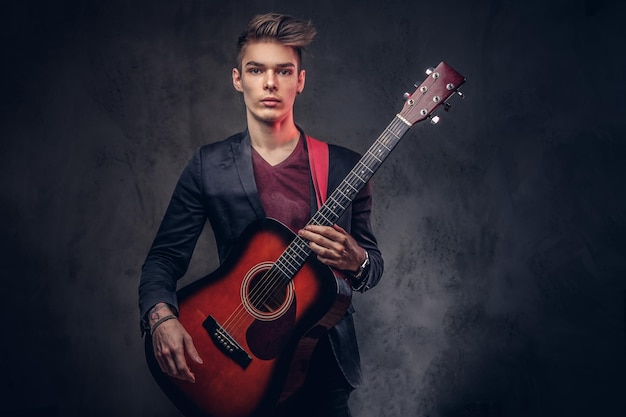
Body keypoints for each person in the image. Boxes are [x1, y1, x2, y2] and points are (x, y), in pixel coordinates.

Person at [138, 13, 384, 417]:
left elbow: (371, 267)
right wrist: (161, 317)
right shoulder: (208, 165)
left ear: (300, 81)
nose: (270, 83)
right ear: (238, 78)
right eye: (257, 69)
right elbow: (164, 258)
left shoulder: (343, 167)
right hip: (235, 365)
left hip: (320, 364)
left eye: (284, 71)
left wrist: (357, 261)